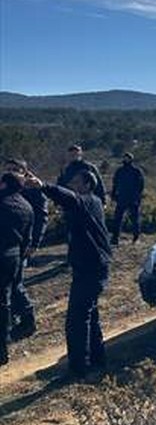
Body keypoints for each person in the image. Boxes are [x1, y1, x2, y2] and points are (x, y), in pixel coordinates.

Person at [26, 169, 112, 379]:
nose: (72, 185)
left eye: (76, 182)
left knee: (76, 319)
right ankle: (97, 358)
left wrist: (43, 186)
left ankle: (78, 368)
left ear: (87, 185)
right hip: (92, 265)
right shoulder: (91, 203)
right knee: (90, 314)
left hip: (91, 267)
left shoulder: (87, 201)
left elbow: (69, 198)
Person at [4, 158, 48, 341]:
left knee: (16, 284)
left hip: (22, 245)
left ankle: (28, 318)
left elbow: (41, 219)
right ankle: (12, 318)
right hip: (8, 245)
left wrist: (34, 244)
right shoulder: (8, 189)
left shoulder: (34, 191)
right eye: (8, 170)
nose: (12, 172)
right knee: (10, 286)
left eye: (16, 169)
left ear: (24, 171)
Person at [0, 172, 33, 367]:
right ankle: (2, 348)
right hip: (13, 258)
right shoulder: (26, 206)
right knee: (4, 301)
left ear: (4, 185)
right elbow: (27, 237)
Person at [110, 152, 145, 245]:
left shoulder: (136, 171)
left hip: (133, 198)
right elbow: (115, 183)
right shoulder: (119, 171)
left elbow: (141, 185)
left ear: (131, 159)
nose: (126, 159)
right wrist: (113, 195)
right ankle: (115, 238)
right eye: (125, 158)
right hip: (121, 198)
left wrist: (138, 197)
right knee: (118, 218)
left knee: (135, 219)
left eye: (128, 158)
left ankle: (136, 237)